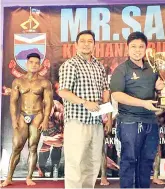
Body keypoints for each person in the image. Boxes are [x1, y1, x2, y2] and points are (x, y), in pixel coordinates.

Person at [110, 31, 164, 188]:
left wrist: (160, 88)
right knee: (129, 160)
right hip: (129, 122)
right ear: (127, 48)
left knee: (146, 162)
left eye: (141, 46)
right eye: (133, 46)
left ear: (146, 48)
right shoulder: (122, 69)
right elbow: (117, 95)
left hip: (150, 121)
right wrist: (143, 103)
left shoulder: (152, 68)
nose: (137, 50)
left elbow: (158, 92)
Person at [58, 30, 112, 188]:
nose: (86, 44)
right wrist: (84, 102)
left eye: (90, 41)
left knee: (93, 163)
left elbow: (105, 91)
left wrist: (108, 115)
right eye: (82, 41)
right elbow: (63, 92)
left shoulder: (99, 66)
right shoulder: (70, 65)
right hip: (77, 121)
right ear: (76, 45)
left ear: (94, 45)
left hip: (96, 122)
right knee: (75, 163)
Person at [1, 53, 53, 187]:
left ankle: (29, 177)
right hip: (23, 115)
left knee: (33, 147)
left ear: (40, 65)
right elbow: (13, 102)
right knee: (16, 146)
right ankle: (8, 178)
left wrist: (46, 119)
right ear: (26, 63)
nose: (34, 65)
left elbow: (48, 102)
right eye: (31, 62)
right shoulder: (18, 81)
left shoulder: (44, 82)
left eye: (37, 62)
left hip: (38, 116)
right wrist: (14, 119)